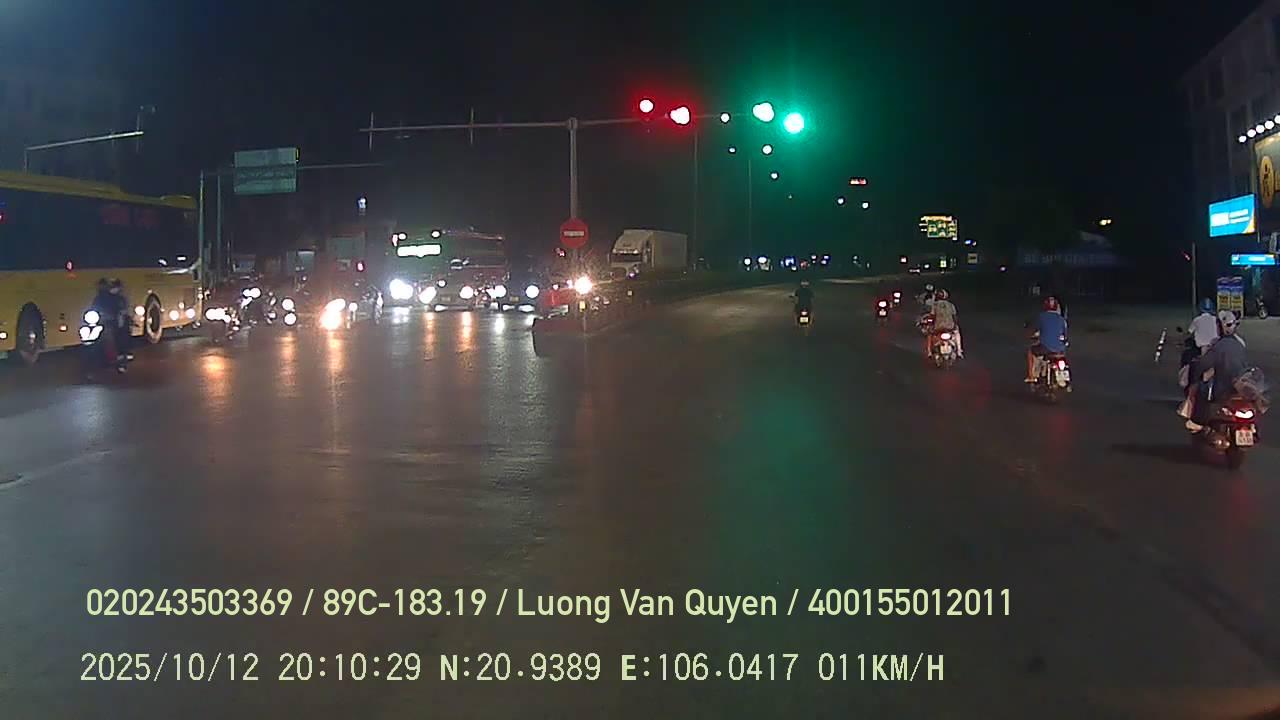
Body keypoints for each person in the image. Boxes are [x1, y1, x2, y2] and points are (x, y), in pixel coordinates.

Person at [1185, 311, 1249, 431]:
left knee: (1202, 388)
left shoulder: (1218, 345)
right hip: (1242, 386)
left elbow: (1204, 364)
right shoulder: (1241, 343)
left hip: (1224, 388)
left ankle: (1198, 422)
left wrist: (1196, 373)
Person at [1026, 296, 1068, 383]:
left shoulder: (1042, 317)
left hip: (1045, 347)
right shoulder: (1061, 319)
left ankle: (1031, 376)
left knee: (1031, 351)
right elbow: (1065, 334)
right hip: (1060, 349)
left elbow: (1036, 329)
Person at [926, 289, 963, 358]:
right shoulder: (951, 305)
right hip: (950, 327)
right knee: (957, 333)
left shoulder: (935, 305)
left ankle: (929, 352)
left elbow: (932, 316)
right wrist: (955, 324)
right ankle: (959, 351)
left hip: (938, 327)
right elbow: (955, 317)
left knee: (930, 334)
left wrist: (930, 324)